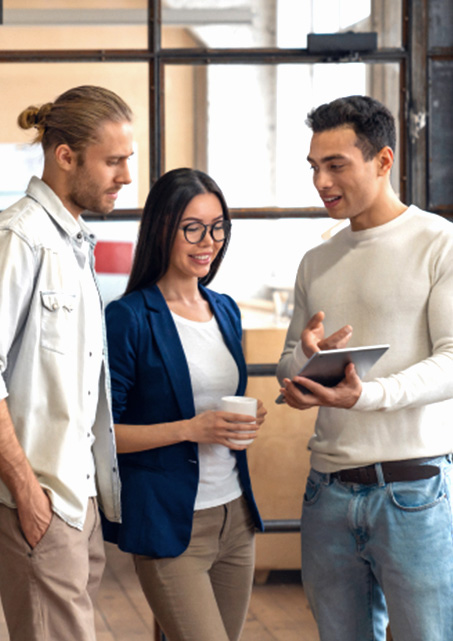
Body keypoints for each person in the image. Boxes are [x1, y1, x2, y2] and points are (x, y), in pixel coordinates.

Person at [277, 95, 453, 641]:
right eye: (314, 167)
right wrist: (304, 366)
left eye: (336, 165)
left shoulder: (439, 242)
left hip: (413, 489)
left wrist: (366, 395)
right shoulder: (317, 260)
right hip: (326, 492)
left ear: (383, 161)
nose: (321, 182)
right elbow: (287, 366)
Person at [102, 167, 265, 641]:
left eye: (217, 227)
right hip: (172, 525)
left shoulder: (226, 309)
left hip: (236, 517)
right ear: (162, 229)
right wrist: (191, 428)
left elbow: (219, 401)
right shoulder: (129, 317)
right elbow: (103, 435)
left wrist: (247, 416)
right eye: (192, 228)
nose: (207, 241)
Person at [0, 85, 134, 641]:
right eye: (114, 161)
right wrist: (29, 495)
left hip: (77, 504)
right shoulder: (19, 237)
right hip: (40, 502)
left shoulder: (75, 240)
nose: (126, 176)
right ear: (65, 156)